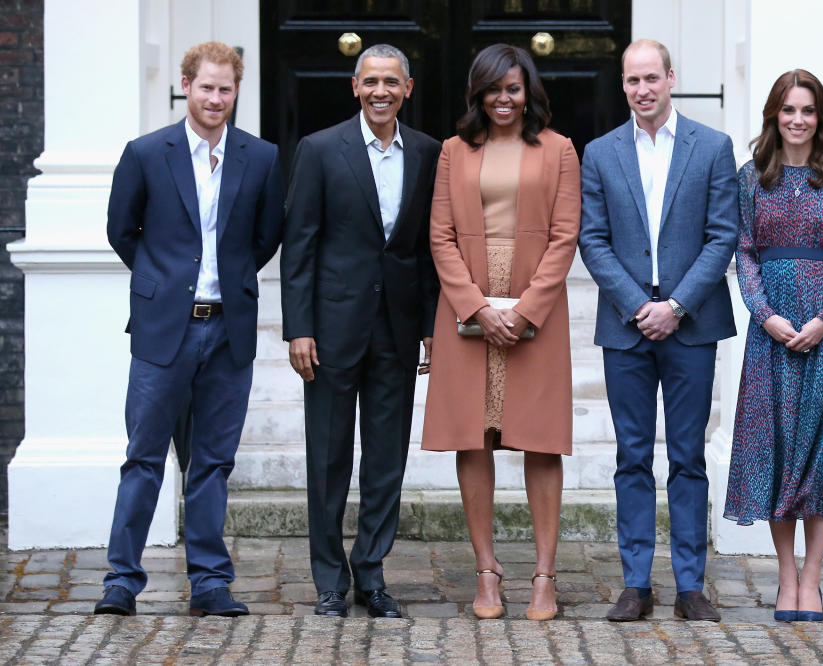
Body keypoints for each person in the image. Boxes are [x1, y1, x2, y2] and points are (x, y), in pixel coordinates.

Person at [96, 42, 284, 617]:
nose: (216, 99)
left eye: (226, 89)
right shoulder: (148, 152)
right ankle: (121, 581)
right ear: (186, 85)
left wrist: (226, 279)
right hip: (162, 331)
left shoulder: (263, 157)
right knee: (144, 456)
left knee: (212, 461)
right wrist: (163, 284)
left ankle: (209, 582)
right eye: (206, 87)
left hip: (228, 331)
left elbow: (266, 236)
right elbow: (121, 230)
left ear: (236, 91)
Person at [578, 39, 738, 622]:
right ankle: (636, 582)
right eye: (631, 81)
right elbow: (591, 239)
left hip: (691, 327)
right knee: (632, 455)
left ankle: (691, 584)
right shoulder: (598, 153)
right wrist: (635, 304)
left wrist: (676, 305)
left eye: (651, 78)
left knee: (689, 456)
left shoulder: (712, 147)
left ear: (671, 77)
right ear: (623, 86)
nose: (642, 90)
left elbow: (723, 235)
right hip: (625, 328)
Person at [281, 44, 441, 619]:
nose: (380, 91)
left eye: (391, 82)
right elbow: (298, 245)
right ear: (355, 86)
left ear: (408, 88)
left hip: (397, 332)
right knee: (327, 458)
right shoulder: (320, 150)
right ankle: (329, 580)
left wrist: (429, 324)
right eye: (370, 81)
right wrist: (297, 327)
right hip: (328, 330)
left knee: (385, 460)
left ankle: (370, 573)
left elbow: (426, 249)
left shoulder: (428, 152)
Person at [422, 43, 581, 622]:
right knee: (474, 437)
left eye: (512, 88)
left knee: (540, 439)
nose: (503, 99)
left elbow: (566, 236)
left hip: (536, 307)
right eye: (492, 89)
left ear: (527, 90)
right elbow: (440, 235)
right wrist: (476, 306)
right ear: (478, 94)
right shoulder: (452, 151)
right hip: (468, 306)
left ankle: (544, 575)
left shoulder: (560, 150)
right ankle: (487, 572)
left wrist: (527, 309)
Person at [724, 70, 823, 623]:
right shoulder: (752, 177)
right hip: (771, 338)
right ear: (774, 116)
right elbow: (746, 253)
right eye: (788, 110)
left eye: (807, 110)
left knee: (817, 457)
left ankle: (813, 576)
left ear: (821, 116)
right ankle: (786, 578)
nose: (798, 120)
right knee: (776, 456)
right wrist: (767, 316)